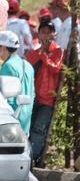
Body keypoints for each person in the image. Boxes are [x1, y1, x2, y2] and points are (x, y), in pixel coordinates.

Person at [0, 31, 50, 181]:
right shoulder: (27, 66)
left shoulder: (8, 67)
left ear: (4, 48)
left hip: (12, 119)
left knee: (9, 159)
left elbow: (8, 98)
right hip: (25, 118)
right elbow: (30, 94)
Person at [26, 21, 63, 165]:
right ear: (38, 34)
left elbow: (55, 68)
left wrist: (43, 54)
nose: (46, 35)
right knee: (28, 128)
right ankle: (27, 157)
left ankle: (33, 160)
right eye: (43, 32)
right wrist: (40, 53)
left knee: (39, 130)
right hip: (32, 98)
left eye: (49, 31)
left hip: (48, 99)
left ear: (54, 34)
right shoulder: (32, 54)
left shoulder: (59, 52)